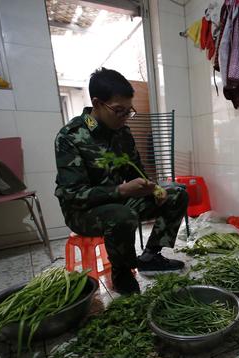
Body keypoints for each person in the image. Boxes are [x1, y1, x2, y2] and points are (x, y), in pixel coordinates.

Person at [55, 68, 187, 295]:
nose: (125, 117)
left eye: (129, 111)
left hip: (120, 202)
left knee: (176, 192)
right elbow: (72, 194)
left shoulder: (122, 133)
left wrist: (152, 187)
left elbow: (137, 174)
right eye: (118, 111)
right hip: (83, 212)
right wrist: (121, 190)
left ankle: (151, 255)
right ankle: (122, 274)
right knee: (121, 215)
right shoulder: (70, 136)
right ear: (96, 103)